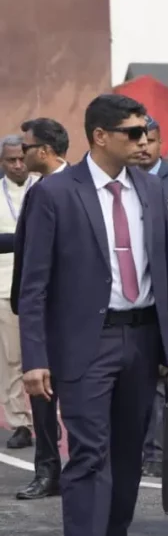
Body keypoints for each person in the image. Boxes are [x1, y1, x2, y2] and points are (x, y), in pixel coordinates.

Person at [18, 93, 168, 536]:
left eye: (146, 131)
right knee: (90, 457)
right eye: (133, 133)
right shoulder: (54, 194)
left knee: (128, 461)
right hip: (85, 345)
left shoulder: (151, 188)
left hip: (142, 339)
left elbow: (166, 271)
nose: (143, 141)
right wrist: (35, 358)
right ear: (100, 136)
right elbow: (33, 285)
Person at [12, 117, 69, 501]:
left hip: (74, 310)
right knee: (42, 394)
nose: (21, 155)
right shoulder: (39, 188)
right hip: (40, 310)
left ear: (44, 151)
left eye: (26, 148)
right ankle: (48, 470)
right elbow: (28, 243)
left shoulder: (77, 186)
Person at [136, 115, 168, 478]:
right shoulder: (120, 182)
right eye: (137, 139)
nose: (143, 147)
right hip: (133, 290)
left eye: (150, 140)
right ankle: (138, 447)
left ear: (160, 142)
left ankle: (157, 452)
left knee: (163, 372)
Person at [0, 135, 37, 450]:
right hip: (4, 289)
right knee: (11, 361)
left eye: (21, 158)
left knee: (47, 359)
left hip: (43, 289)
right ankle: (20, 423)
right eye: (10, 160)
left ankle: (49, 420)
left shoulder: (44, 187)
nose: (17, 165)